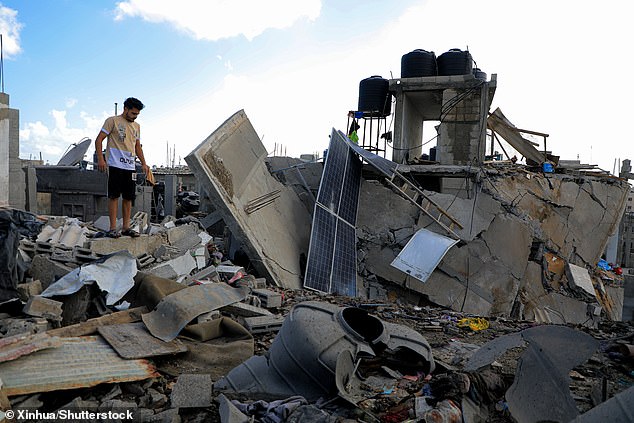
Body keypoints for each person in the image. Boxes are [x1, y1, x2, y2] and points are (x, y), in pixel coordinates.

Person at [95, 97, 149, 238]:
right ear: (125, 109)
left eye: (137, 114)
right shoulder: (112, 121)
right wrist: (101, 158)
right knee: (113, 196)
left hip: (130, 166)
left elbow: (137, 146)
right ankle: (113, 228)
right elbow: (99, 139)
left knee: (128, 197)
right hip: (114, 165)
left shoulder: (136, 126)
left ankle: (126, 227)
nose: (134, 116)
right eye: (133, 113)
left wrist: (143, 163)